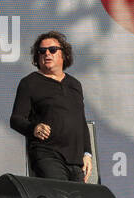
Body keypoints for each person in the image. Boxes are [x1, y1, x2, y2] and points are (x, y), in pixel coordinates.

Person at [9, 31, 93, 182]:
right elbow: (15, 119)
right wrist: (33, 128)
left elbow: (81, 121)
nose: (47, 53)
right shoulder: (29, 83)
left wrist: (87, 153)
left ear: (64, 54)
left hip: (75, 160)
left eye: (52, 50)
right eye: (42, 51)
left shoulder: (75, 84)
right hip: (47, 154)